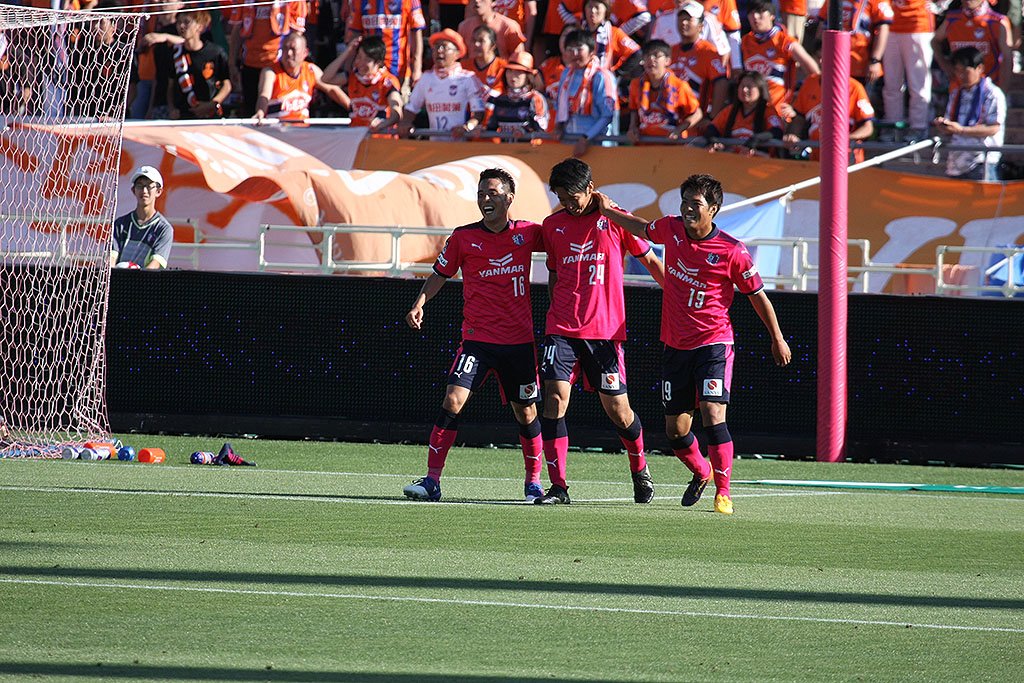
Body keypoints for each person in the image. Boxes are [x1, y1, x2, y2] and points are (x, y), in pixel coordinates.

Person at [594, 173, 791, 515]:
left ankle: (723, 492)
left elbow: (758, 296)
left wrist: (777, 338)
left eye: (695, 203)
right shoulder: (671, 229)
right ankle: (701, 471)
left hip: (714, 344)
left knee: (713, 414)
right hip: (675, 346)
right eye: (684, 201)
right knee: (676, 431)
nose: (687, 208)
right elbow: (642, 228)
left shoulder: (732, 251)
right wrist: (608, 211)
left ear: (713, 209)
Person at [403, 168, 546, 502]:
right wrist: (419, 303)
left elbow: (564, 241)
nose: (485, 199)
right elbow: (440, 274)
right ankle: (432, 481)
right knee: (452, 400)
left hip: (518, 343)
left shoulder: (528, 233)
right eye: (481, 194)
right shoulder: (463, 237)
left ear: (509, 198)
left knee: (526, 413)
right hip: (477, 342)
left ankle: (533, 483)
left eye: (492, 193)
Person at [533, 158, 665, 505]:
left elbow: (651, 261)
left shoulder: (616, 219)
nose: (568, 204)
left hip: (604, 332)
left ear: (590, 188)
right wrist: (558, 310)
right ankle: (558, 487)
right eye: (561, 198)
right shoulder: (553, 225)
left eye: (572, 197)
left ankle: (639, 467)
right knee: (554, 399)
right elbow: (554, 273)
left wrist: (677, 295)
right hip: (561, 328)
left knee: (618, 409)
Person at [783, 41, 875, 163]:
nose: (823, 61)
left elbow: (867, 127)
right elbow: (799, 116)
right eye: (821, 57)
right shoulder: (810, 82)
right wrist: (793, 134)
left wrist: (845, 139)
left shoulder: (855, 87)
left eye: (830, 58)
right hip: (816, 157)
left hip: (846, 158)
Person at [933, 46, 1007, 181]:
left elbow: (994, 128)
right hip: (955, 162)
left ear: (979, 68)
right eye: (957, 71)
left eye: (965, 71)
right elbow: (952, 124)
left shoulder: (992, 94)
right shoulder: (956, 93)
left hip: (982, 162)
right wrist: (944, 126)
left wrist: (961, 130)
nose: (960, 75)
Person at [399, 28, 486, 138]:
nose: (439, 51)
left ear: (457, 53)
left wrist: (467, 127)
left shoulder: (467, 78)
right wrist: (406, 123)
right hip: (435, 144)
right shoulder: (426, 78)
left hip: (459, 143)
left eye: (444, 47)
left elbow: (478, 112)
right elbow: (411, 108)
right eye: (436, 47)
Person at [228, 0, 308, 116]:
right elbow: (236, 30)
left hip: (279, 68)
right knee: (251, 113)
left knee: (280, 113)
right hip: (250, 64)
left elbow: (297, 37)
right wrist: (232, 64)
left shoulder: (295, 2)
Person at [741, 0, 819, 115]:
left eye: (760, 12)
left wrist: (798, 101)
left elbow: (814, 73)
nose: (755, 17)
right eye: (751, 13)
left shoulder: (785, 41)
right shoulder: (745, 41)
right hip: (751, 109)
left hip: (777, 111)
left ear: (772, 16)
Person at [254, 32, 351, 122]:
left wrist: (352, 108)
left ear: (305, 53)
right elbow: (264, 94)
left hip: (302, 130)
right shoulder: (270, 72)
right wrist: (260, 111)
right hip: (276, 128)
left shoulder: (311, 70)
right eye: (285, 48)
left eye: (293, 49)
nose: (289, 53)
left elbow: (332, 89)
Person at [553, 28, 618, 156]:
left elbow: (607, 115)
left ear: (591, 51)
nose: (574, 53)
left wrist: (586, 138)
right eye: (570, 49)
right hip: (569, 142)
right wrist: (558, 127)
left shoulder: (602, 76)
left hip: (597, 145)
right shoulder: (566, 74)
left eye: (579, 49)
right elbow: (560, 106)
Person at [627, 39, 703, 142]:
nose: (651, 59)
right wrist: (632, 127)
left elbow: (697, 113)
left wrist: (679, 130)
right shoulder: (636, 84)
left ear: (667, 61)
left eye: (656, 56)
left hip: (672, 145)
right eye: (647, 55)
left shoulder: (680, 86)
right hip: (644, 144)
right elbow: (634, 110)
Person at [694, 70, 785, 155]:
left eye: (749, 87)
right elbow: (713, 128)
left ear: (760, 90)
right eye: (742, 86)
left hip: (757, 160)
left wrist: (756, 139)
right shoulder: (730, 110)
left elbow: (776, 131)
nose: (744, 90)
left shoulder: (768, 111)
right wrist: (714, 141)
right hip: (731, 159)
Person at [323, 36, 403, 131]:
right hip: (356, 135)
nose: (361, 63)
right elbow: (325, 78)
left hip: (380, 137)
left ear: (378, 62)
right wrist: (348, 51)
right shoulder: (353, 77)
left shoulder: (387, 81)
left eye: (367, 59)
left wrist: (382, 124)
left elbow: (397, 114)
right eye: (359, 57)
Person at [880, 0, 934, 141]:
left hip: (918, 26)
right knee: (891, 83)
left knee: (918, 83)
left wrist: (940, 6)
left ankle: (919, 127)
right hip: (890, 25)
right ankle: (893, 125)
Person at [163, 10, 231, 120]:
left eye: (186, 22)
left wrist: (213, 104)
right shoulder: (175, 53)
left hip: (210, 115)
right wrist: (172, 109)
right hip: (183, 116)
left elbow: (227, 84)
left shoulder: (215, 52)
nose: (181, 26)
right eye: (178, 22)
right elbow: (170, 85)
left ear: (200, 26)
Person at [668, 2, 730, 120]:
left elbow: (722, 83)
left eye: (689, 19)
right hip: (672, 118)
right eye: (681, 19)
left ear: (701, 26)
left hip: (696, 120)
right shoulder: (671, 51)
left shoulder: (709, 52)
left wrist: (712, 117)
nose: (684, 23)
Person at [932, 0, 1012, 88]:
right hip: (958, 88)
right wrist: (944, 64)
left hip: (987, 87)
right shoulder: (951, 19)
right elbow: (934, 41)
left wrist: (1003, 89)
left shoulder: (997, 21)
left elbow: (1007, 58)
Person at [111, 166, 174, 270]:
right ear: (133, 190)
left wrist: (138, 278)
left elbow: (155, 265)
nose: (144, 191)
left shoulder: (164, 229)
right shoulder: (120, 224)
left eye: (149, 186)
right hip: (118, 279)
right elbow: (111, 259)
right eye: (139, 186)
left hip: (145, 280)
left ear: (158, 191)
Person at [482, 50, 550, 136]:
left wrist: (524, 131)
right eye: (510, 70)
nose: (513, 75)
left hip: (529, 144)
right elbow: (492, 128)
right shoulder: (501, 99)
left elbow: (542, 128)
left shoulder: (535, 99)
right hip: (505, 144)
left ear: (528, 76)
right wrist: (481, 130)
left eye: (518, 72)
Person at [459, 0, 528, 59]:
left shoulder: (508, 26)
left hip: (501, 69)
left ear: (492, 2)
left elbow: (519, 58)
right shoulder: (464, 27)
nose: (476, 1)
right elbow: (462, 58)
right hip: (470, 70)